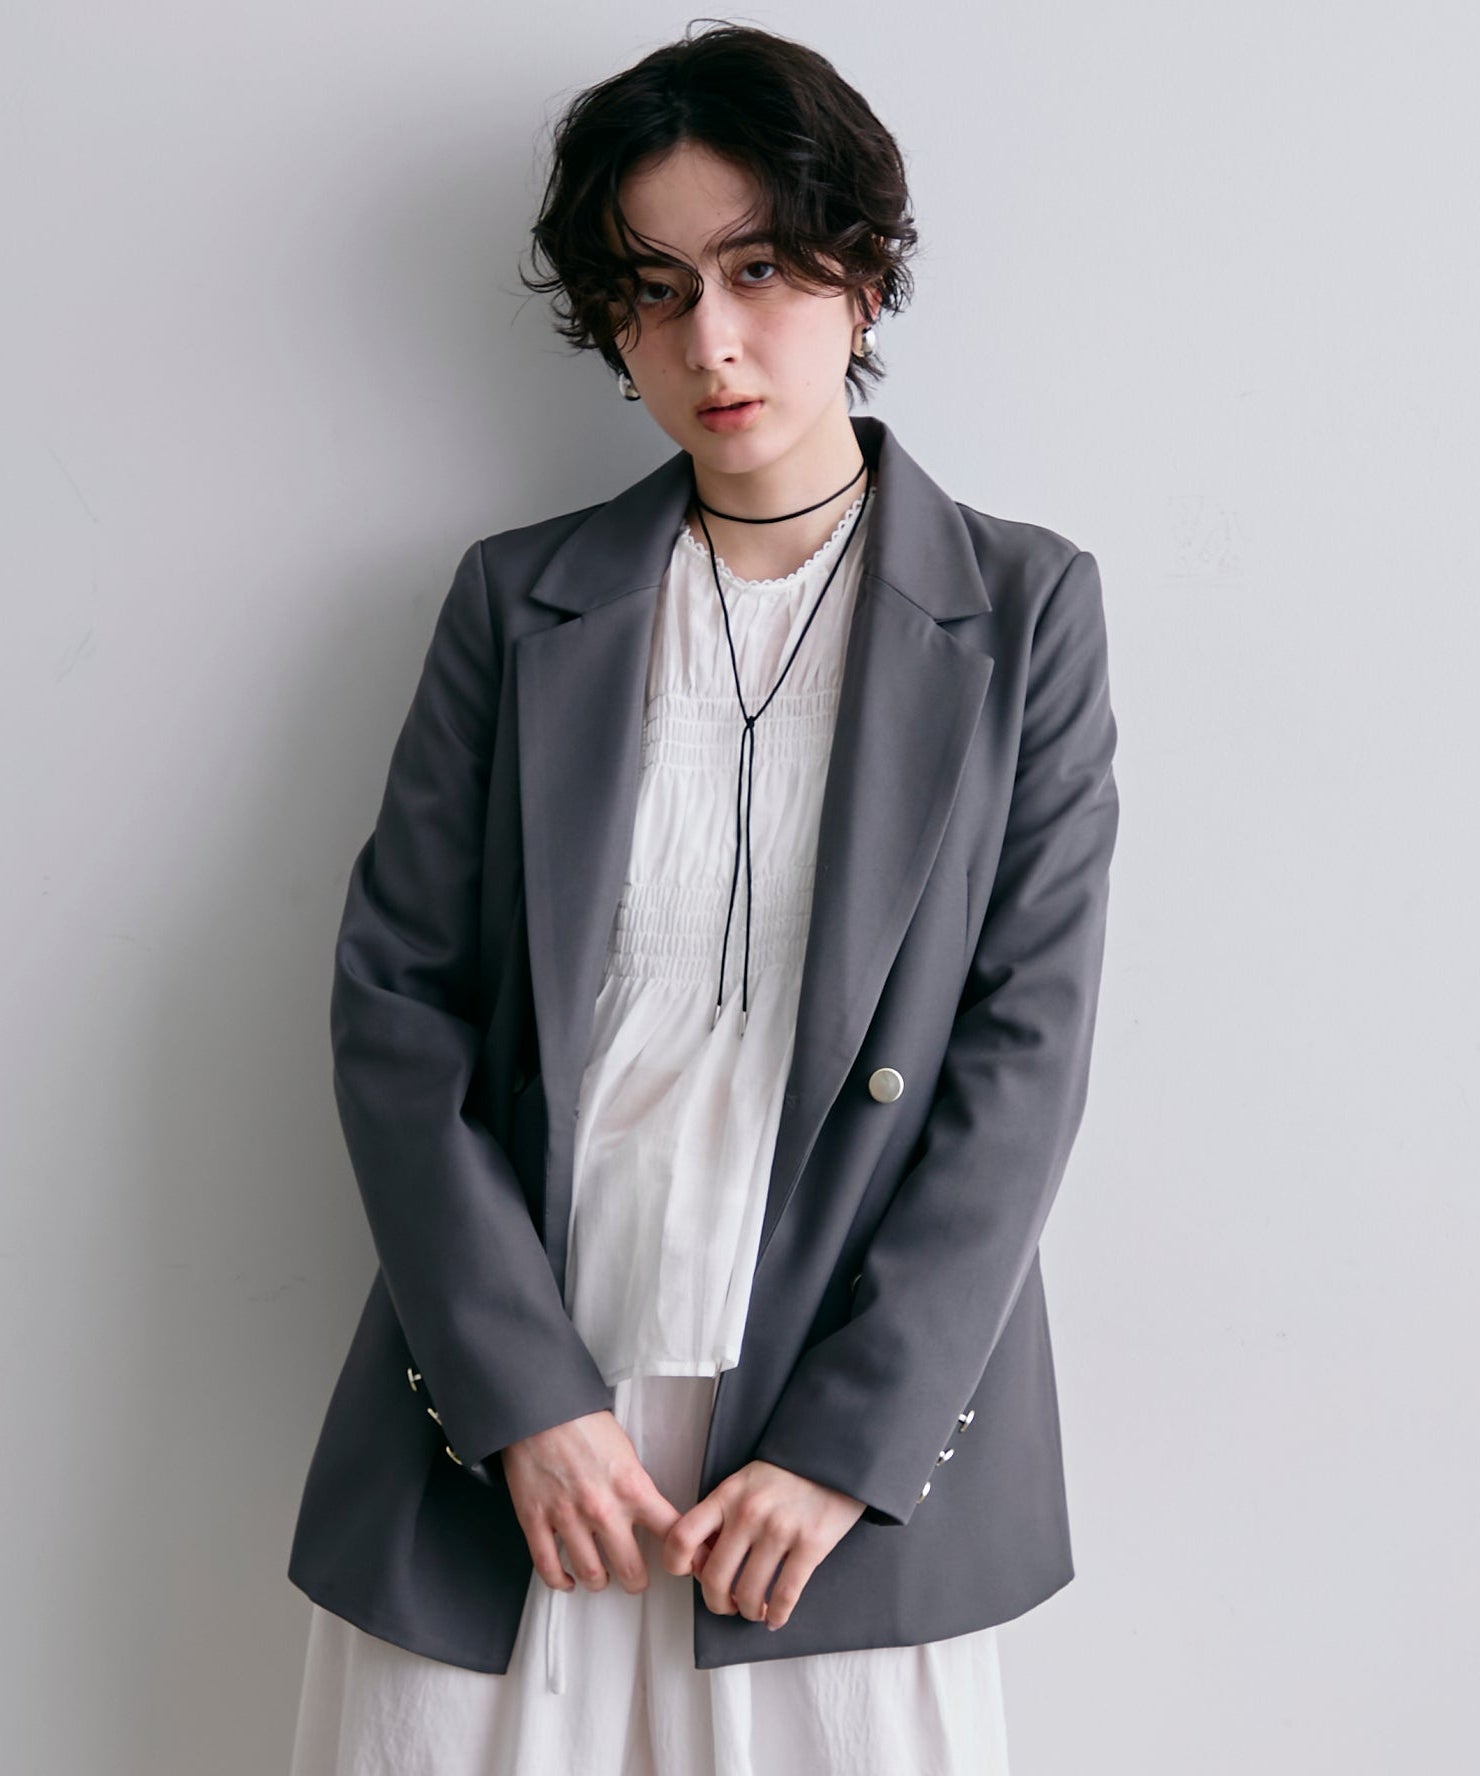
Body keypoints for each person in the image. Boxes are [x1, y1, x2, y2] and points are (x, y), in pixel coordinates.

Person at [286, 20, 1118, 1775]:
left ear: (862, 274)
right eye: (653, 293)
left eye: (759, 269)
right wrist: (520, 1401)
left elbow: (1022, 1059)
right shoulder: (521, 604)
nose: (710, 342)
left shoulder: (1025, 611)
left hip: (825, 1453)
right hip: (518, 1434)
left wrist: (844, 1450)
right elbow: (397, 1008)